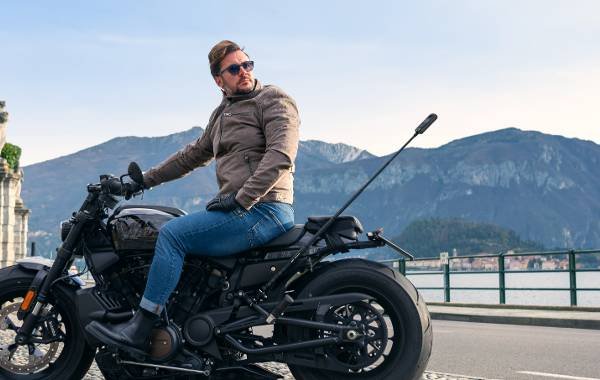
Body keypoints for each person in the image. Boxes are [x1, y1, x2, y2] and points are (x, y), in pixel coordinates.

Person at [86, 40, 300, 356]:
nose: (243, 72)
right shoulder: (222, 114)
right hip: (244, 208)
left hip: (264, 208)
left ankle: (141, 326)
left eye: (247, 64)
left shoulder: (273, 99)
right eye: (234, 68)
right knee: (177, 229)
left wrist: (242, 199)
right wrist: (140, 181)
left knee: (172, 236)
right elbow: (191, 156)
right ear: (219, 80)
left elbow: (281, 154)